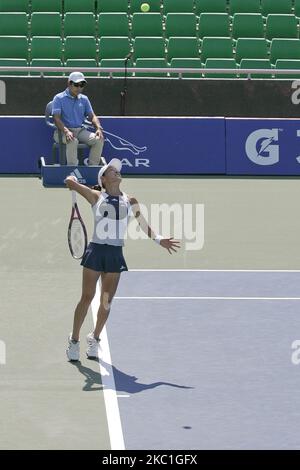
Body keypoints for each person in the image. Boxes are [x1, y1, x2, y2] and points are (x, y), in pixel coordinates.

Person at [64, 158, 180, 361]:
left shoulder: (131, 200)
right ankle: (74, 341)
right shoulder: (95, 196)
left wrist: (159, 240)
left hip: (115, 254)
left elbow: (143, 224)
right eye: (112, 171)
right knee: (87, 297)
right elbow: (70, 182)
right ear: (103, 179)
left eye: (117, 170)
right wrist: (70, 178)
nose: (117, 172)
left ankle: (95, 338)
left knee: (106, 301)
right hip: (96, 251)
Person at [52, 71, 104, 166]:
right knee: (72, 141)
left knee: (99, 139)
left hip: (80, 131)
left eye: (82, 85)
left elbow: (92, 116)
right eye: (76, 85)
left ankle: (93, 169)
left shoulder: (84, 99)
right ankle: (73, 172)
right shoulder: (58, 98)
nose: (79, 88)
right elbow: (56, 119)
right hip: (61, 132)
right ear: (69, 83)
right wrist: (66, 131)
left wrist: (98, 128)